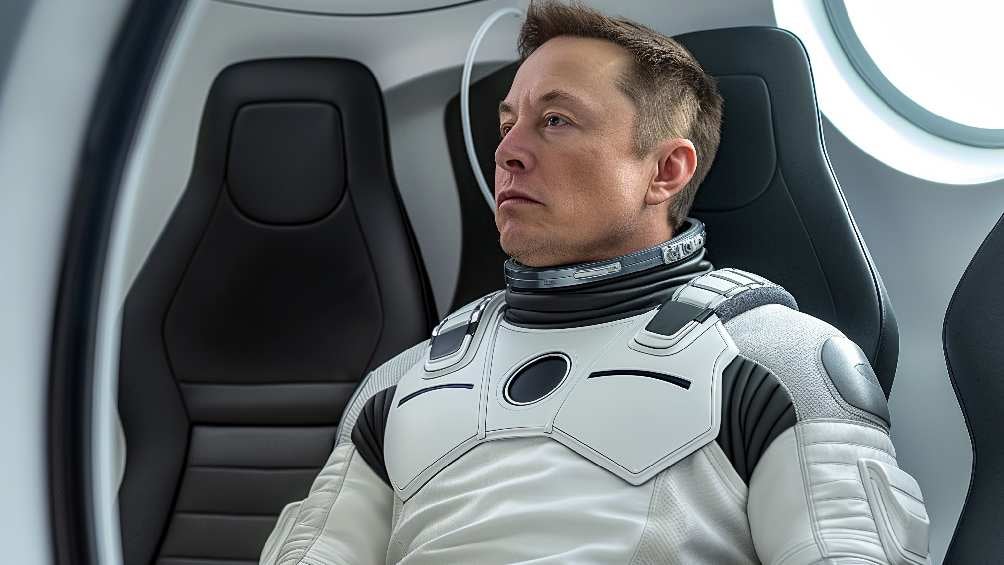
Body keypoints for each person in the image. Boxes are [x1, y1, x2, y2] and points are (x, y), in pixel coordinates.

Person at [259, 2, 930, 563]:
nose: (507, 151)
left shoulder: (780, 360)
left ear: (665, 171)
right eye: (507, 124)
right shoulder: (400, 381)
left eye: (556, 121)